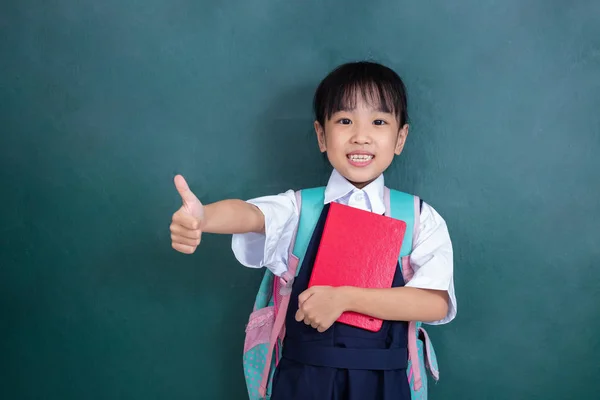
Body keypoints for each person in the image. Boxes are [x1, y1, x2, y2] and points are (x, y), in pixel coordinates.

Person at [169, 61, 456, 399]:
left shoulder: (419, 217)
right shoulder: (299, 209)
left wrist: (345, 299)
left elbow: (434, 303)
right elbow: (250, 214)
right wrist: (204, 217)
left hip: (385, 384)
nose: (360, 136)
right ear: (322, 135)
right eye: (345, 121)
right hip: (303, 382)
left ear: (400, 137)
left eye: (378, 122)